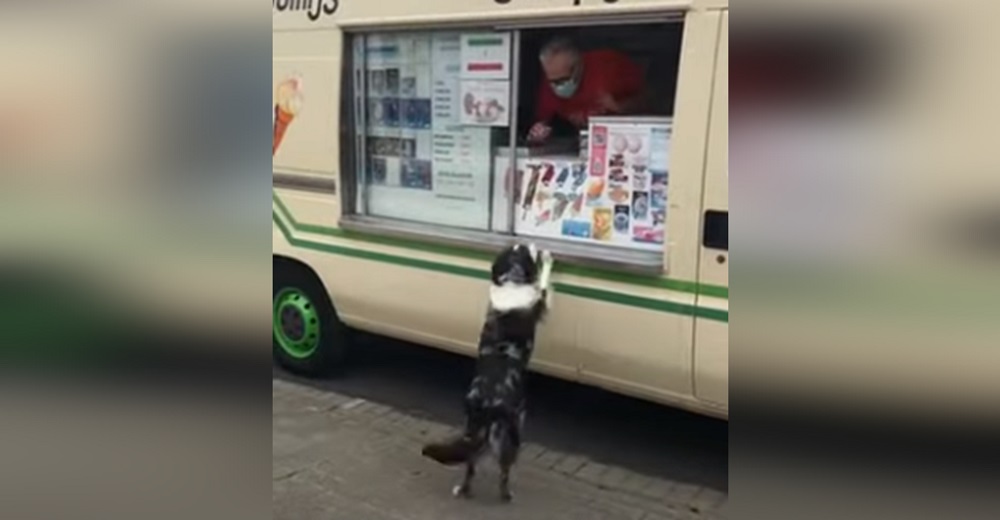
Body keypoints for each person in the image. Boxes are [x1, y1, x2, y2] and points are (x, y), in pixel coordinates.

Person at [527, 37, 648, 143]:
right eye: (552, 81)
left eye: (563, 80)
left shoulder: (608, 65)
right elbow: (542, 123)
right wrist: (538, 134)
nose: (557, 87)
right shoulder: (549, 82)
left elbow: (651, 98)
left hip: (624, 140)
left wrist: (621, 107)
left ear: (579, 66)